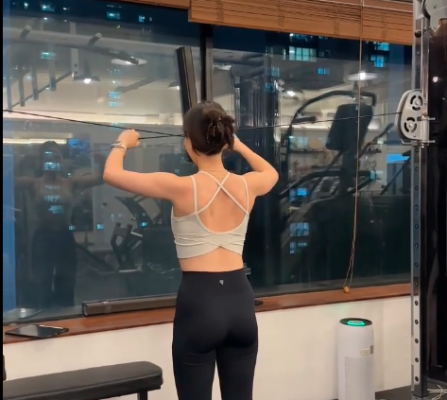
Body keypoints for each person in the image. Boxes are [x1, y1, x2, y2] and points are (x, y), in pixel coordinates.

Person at [103, 101, 279, 400]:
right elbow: (270, 172)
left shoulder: (180, 187)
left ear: (189, 142)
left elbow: (111, 173)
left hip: (200, 302)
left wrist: (123, 143)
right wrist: (238, 146)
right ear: (225, 140)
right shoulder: (247, 185)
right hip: (240, 300)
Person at [15, 141, 104, 309]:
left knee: (67, 284)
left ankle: (67, 319)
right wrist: (21, 159)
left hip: (64, 237)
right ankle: (44, 317)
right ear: (42, 160)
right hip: (43, 237)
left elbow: (101, 179)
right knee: (43, 285)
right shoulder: (34, 183)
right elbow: (8, 182)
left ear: (61, 160)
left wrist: (102, 161)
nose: (54, 160)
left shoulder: (69, 183)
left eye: (57, 156)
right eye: (49, 156)